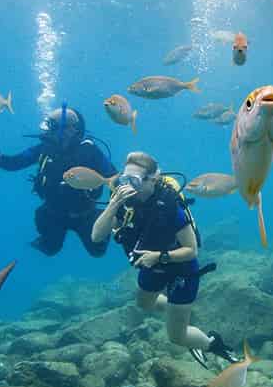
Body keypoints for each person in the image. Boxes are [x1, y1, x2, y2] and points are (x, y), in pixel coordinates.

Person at [91, 151, 237, 366]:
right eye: (125, 179)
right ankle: (180, 314)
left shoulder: (169, 207)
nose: (128, 185)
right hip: (150, 265)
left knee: (176, 337)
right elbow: (96, 236)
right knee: (143, 303)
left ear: (152, 180)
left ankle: (212, 344)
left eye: (135, 180)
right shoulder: (124, 204)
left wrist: (160, 256)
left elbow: (191, 250)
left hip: (181, 269)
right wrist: (113, 204)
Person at [0, 105, 116, 257]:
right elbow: (12, 163)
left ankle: (105, 222)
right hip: (53, 212)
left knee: (97, 251)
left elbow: (113, 177)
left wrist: (115, 211)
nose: (46, 132)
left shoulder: (89, 151)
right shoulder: (44, 149)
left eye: (52, 127)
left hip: (85, 213)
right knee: (50, 249)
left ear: (70, 130)